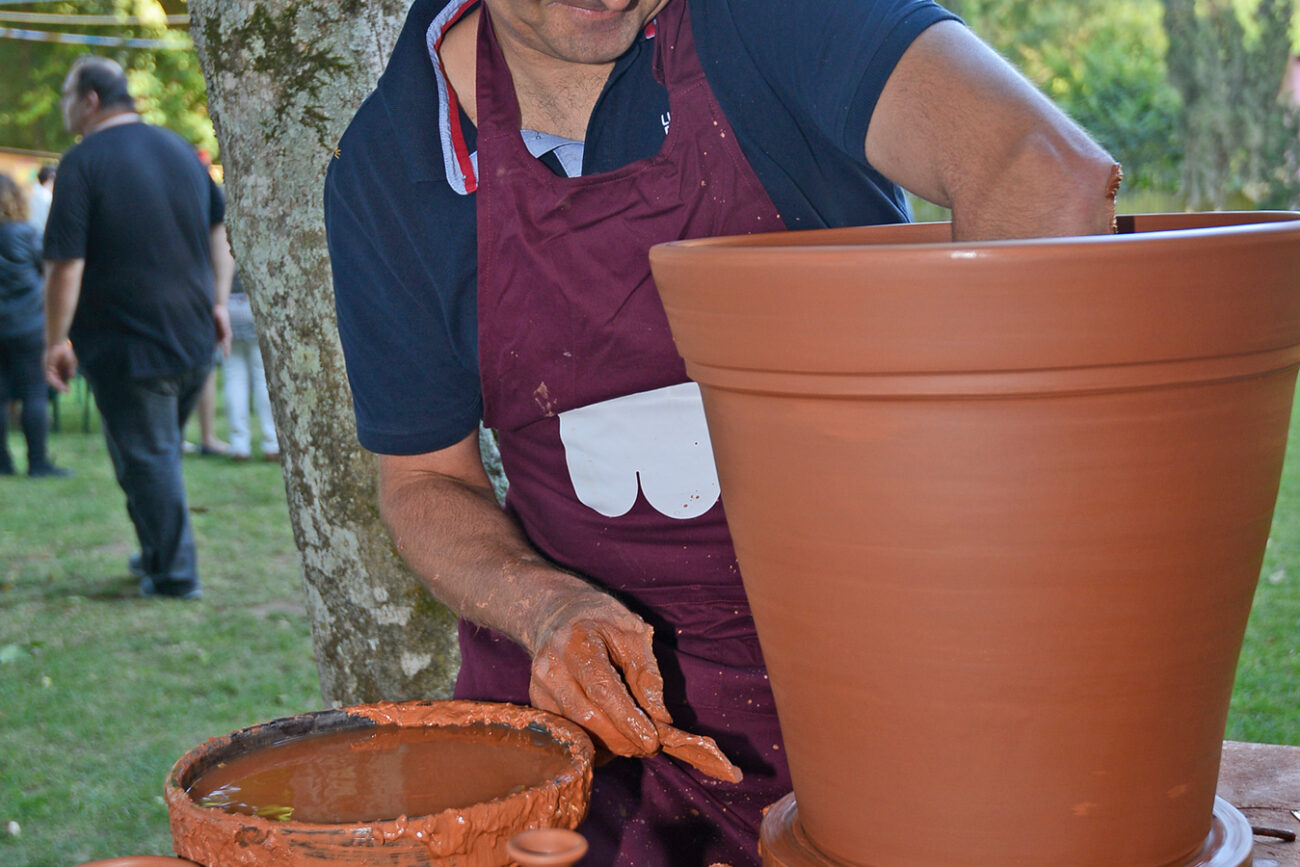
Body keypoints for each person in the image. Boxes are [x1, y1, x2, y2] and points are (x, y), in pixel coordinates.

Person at [323, 1, 1119, 864]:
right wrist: (544, 606)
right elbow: (424, 482)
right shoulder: (395, 161)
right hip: (589, 728)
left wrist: (963, 576)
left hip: (877, 698)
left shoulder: (769, 20)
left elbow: (1040, 171)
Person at [43, 55, 233, 600]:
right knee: (150, 456)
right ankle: (155, 551)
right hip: (193, 336)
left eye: (65, 94)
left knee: (148, 460)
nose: (63, 106)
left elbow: (64, 264)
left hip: (131, 346)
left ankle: (175, 576)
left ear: (91, 100)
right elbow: (221, 226)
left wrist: (56, 339)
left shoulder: (82, 163)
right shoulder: (179, 149)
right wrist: (218, 302)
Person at [0, 173, 68, 478]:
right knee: (33, 392)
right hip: (28, 324)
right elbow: (48, 271)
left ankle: (3, 463)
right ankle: (38, 462)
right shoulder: (27, 233)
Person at [223, 271, 279, 462]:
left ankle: (239, 445)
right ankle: (272, 441)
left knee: (233, 377)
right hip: (254, 302)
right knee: (263, 376)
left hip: (227, 304)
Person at [27, 164, 55, 236]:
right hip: (42, 234)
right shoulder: (48, 198)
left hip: (30, 233)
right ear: (50, 179)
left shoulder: (31, 193)